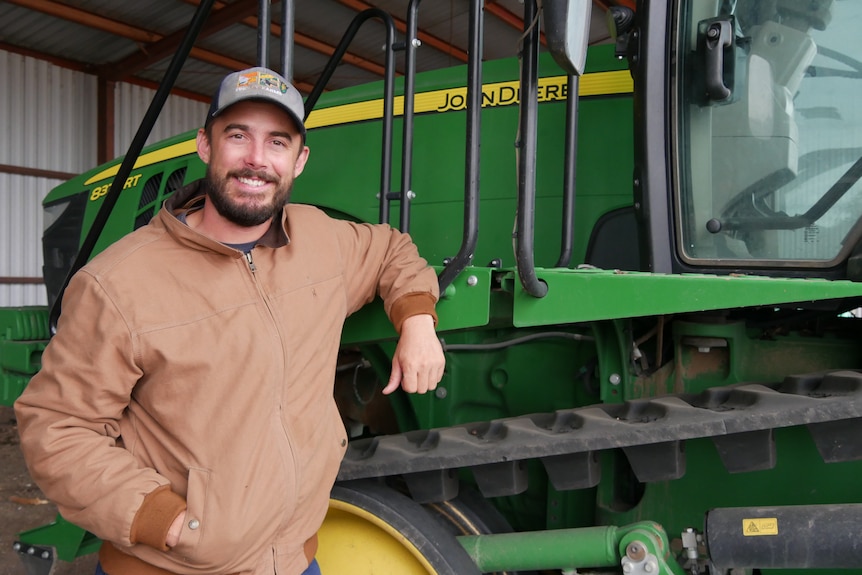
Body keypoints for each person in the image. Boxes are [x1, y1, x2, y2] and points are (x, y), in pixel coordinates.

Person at [15, 67, 445, 575]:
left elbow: (392, 250)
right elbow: (58, 426)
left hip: (294, 560)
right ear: (205, 145)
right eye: (237, 136)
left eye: (277, 142)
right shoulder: (118, 283)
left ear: (299, 160)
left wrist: (417, 320)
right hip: (177, 566)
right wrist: (166, 520)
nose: (256, 160)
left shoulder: (321, 239)